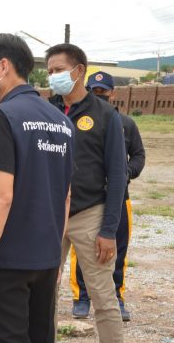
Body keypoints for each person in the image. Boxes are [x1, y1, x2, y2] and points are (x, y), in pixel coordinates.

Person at [0, 33, 74, 343]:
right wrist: (55, 254)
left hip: (8, 260)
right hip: (46, 257)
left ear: (3, 66)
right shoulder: (61, 121)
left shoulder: (2, 116)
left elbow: (1, 196)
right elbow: (66, 196)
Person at [47, 44, 127, 343]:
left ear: (79, 70)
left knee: (103, 297)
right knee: (44, 292)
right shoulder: (46, 111)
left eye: (58, 70)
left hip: (89, 214)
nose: (53, 76)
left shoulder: (105, 115)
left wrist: (108, 230)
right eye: (50, 71)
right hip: (50, 216)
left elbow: (117, 175)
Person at [70, 71, 145, 322]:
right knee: (82, 251)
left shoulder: (125, 123)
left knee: (117, 250)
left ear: (112, 92)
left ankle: (117, 297)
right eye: (94, 90)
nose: (98, 95)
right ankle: (81, 297)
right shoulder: (80, 120)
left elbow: (138, 155)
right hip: (88, 201)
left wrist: (126, 173)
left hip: (118, 198)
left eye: (103, 91)